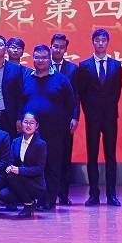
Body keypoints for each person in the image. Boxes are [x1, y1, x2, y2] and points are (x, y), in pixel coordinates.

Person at [21, 44, 77, 211]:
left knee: (53, 165)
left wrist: (63, 123)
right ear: (33, 59)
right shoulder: (26, 78)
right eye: (37, 57)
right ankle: (37, 197)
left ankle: (50, 199)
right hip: (31, 133)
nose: (40, 60)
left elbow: (70, 102)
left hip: (55, 132)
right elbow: (20, 101)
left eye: (44, 57)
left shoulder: (61, 80)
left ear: (50, 58)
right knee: (35, 165)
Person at [77, 28, 122, 207]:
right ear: (93, 43)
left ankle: (111, 194)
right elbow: (82, 92)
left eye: (103, 40)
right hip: (93, 117)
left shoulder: (116, 65)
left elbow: (117, 91)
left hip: (110, 116)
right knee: (92, 155)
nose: (100, 43)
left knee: (111, 156)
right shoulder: (85, 65)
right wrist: (89, 111)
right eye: (97, 40)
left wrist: (109, 107)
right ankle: (93, 194)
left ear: (107, 43)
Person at [50, 33, 80, 206]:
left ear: (66, 49)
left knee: (64, 157)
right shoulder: (42, 66)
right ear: (51, 47)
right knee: (46, 157)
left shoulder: (73, 69)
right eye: (55, 46)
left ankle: (63, 194)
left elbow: (76, 95)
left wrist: (75, 117)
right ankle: (47, 193)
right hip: (46, 120)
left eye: (62, 47)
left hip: (65, 121)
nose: (58, 49)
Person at [1, 112, 47, 218]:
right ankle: (29, 201)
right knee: (3, 194)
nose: (28, 125)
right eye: (25, 122)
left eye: (32, 123)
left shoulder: (41, 144)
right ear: (21, 124)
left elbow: (39, 168)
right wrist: (9, 167)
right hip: (19, 181)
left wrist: (19, 170)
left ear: (37, 126)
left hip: (35, 183)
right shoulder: (15, 142)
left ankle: (28, 205)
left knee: (12, 177)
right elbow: (11, 161)